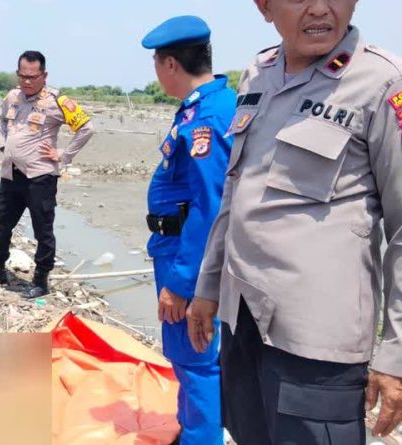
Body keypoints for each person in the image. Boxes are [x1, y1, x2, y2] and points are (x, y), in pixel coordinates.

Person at [186, 1, 402, 443]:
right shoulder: (259, 73)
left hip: (317, 345)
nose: (320, 9)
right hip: (243, 320)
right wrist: (207, 289)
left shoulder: (382, 84)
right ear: (264, 6)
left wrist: (396, 354)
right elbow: (236, 191)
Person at [141, 16, 236, 445]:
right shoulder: (203, 105)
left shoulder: (207, 117)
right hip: (177, 248)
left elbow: (210, 205)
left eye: (157, 64)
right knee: (186, 353)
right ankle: (190, 430)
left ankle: (201, 438)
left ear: (170, 65)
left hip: (188, 256)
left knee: (196, 355)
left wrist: (181, 284)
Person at [0, 50, 94, 298]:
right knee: (0, 224)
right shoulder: (12, 97)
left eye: (33, 76)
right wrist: (4, 144)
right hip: (11, 175)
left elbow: (86, 127)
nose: (27, 81)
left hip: (40, 177)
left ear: (44, 75)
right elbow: (1, 120)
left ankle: (41, 280)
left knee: (42, 229)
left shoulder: (58, 100)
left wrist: (63, 155)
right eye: (23, 76)